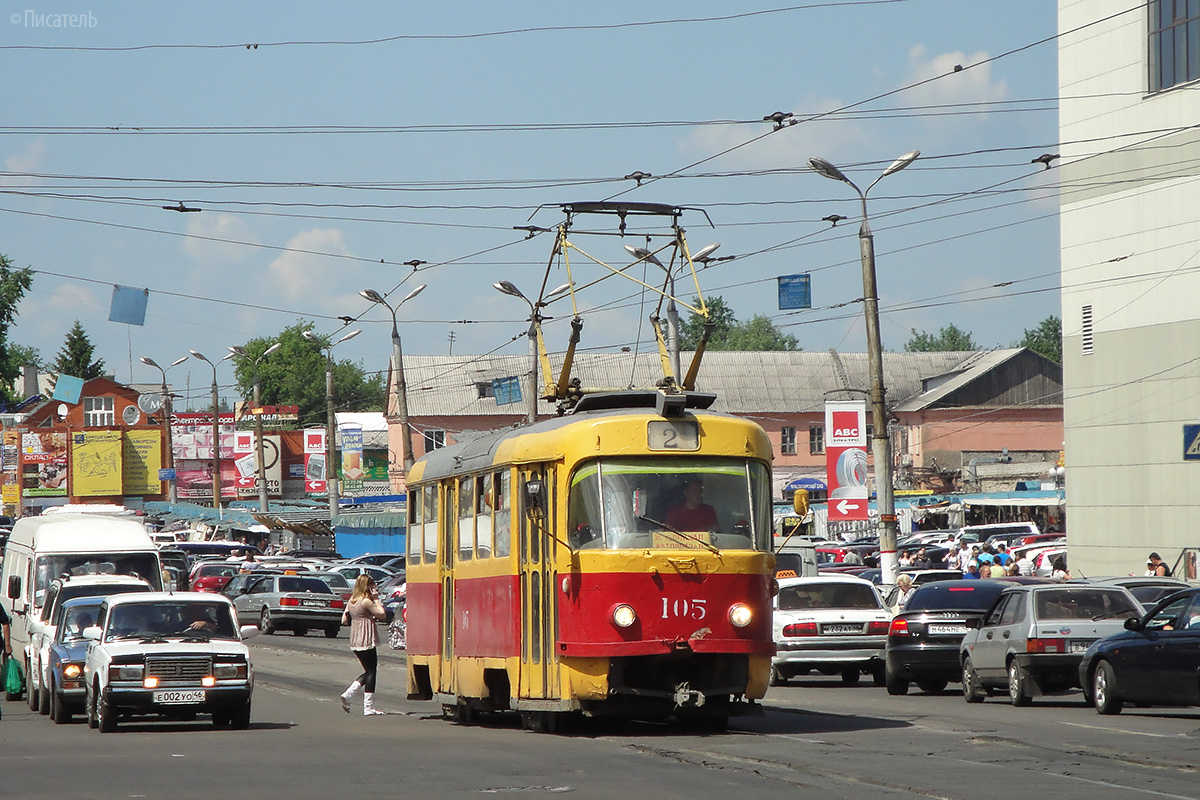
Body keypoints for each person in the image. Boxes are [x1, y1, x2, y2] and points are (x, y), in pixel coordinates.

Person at [339, 574, 389, 716]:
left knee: (368, 671)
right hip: (366, 637)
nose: (373, 587)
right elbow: (382, 614)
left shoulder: (352, 601)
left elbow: (344, 620)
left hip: (355, 638)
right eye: (371, 585)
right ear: (366, 586)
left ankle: (350, 695)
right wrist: (377, 599)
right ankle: (366, 705)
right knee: (372, 672)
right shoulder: (366, 601)